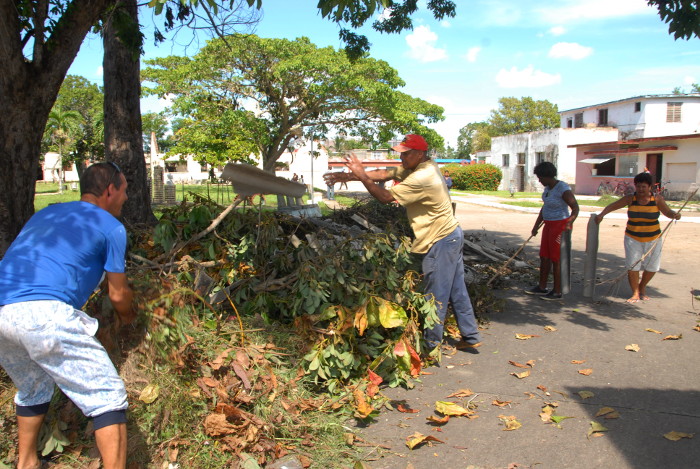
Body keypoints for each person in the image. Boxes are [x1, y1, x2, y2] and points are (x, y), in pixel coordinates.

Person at [0, 162, 135, 469]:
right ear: (110, 190)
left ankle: (27, 463)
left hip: (3, 312)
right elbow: (117, 295)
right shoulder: (111, 226)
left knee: (34, 387)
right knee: (107, 398)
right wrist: (129, 319)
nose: (126, 198)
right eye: (124, 190)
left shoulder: (46, 213)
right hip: (45, 315)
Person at [323, 134, 481, 353]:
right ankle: (470, 335)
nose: (402, 157)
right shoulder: (423, 166)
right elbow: (386, 173)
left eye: (406, 153)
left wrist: (361, 175)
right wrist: (350, 176)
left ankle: (430, 346)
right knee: (456, 289)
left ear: (419, 154)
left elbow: (386, 197)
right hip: (451, 235)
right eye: (401, 152)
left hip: (440, 240)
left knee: (435, 295)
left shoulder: (423, 177)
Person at [595, 171, 681, 303]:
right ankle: (635, 292)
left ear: (650, 187)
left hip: (654, 238)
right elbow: (613, 206)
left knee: (652, 267)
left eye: (644, 187)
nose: (640, 189)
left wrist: (675, 214)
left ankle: (642, 286)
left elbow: (667, 212)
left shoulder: (657, 199)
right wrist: (601, 215)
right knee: (633, 266)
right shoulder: (630, 198)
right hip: (632, 238)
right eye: (638, 186)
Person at [525, 162, 579, 300]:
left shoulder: (563, 189)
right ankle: (542, 287)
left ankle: (557, 290)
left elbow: (575, 208)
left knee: (556, 258)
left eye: (540, 178)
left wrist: (569, 223)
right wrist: (536, 226)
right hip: (548, 225)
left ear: (548, 176)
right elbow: (545, 207)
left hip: (560, 226)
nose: (539, 180)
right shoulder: (547, 188)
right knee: (544, 256)